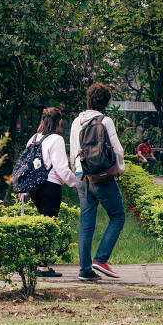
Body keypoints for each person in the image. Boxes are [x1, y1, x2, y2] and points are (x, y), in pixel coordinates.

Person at [69, 83, 126, 281]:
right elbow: (118, 150)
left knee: (86, 223)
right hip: (101, 176)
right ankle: (101, 259)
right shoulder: (106, 120)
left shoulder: (77, 121)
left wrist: (77, 171)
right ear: (106, 102)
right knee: (118, 216)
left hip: (81, 174)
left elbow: (72, 153)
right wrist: (119, 169)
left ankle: (85, 270)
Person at [20, 107, 77, 277]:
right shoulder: (57, 139)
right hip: (51, 186)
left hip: (35, 187)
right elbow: (60, 167)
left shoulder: (33, 138)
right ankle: (42, 266)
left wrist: (24, 188)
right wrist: (74, 182)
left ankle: (37, 262)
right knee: (48, 225)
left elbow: (27, 164)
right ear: (59, 122)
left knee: (42, 223)